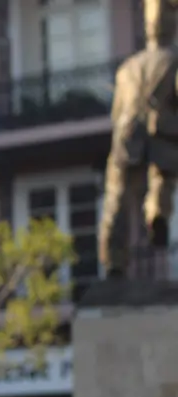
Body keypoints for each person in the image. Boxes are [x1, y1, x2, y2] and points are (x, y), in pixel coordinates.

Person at [98, 0, 178, 276]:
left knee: (116, 197)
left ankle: (113, 257)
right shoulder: (174, 60)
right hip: (162, 134)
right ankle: (157, 213)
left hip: (127, 135)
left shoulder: (128, 68)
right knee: (163, 177)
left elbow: (116, 112)